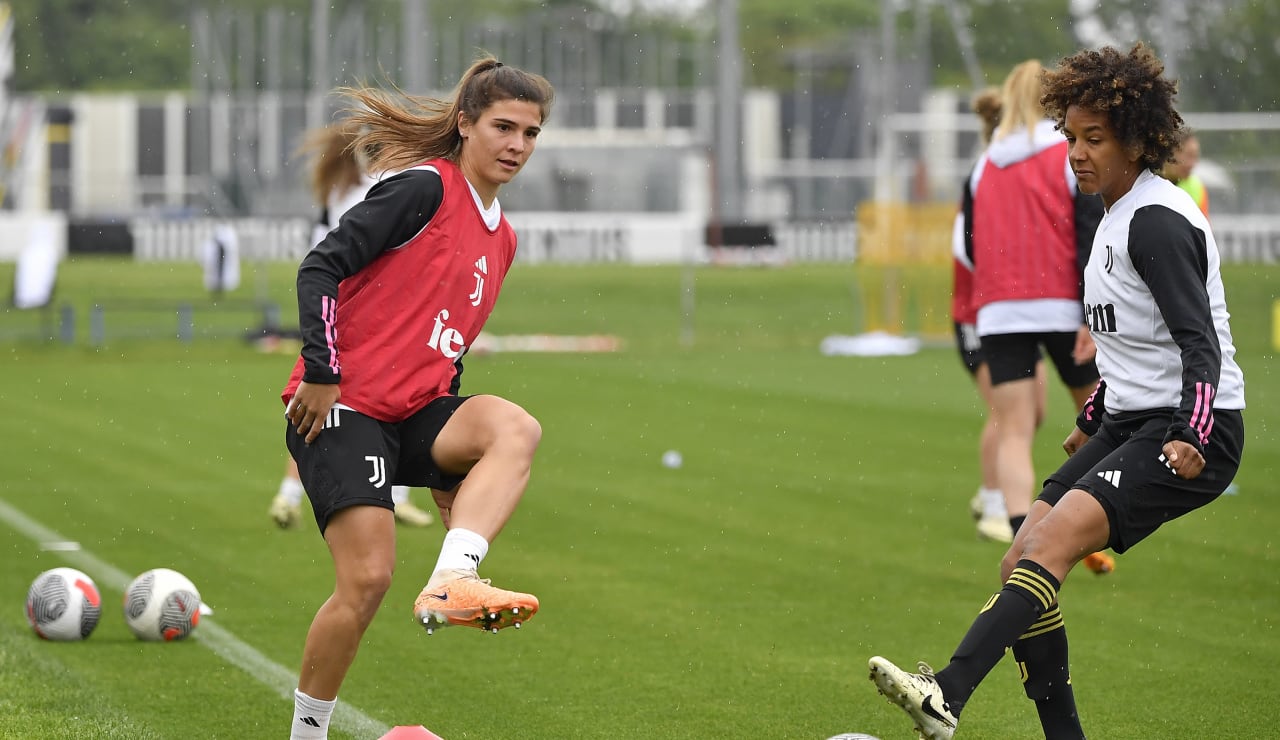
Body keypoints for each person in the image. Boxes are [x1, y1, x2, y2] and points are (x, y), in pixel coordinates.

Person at [868, 42, 1246, 740]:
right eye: (1071, 137)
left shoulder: (1156, 220)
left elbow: (1201, 343)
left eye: (1093, 139)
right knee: (1021, 553)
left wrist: (1191, 431)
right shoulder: (1113, 214)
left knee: (1053, 544)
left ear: (1137, 141)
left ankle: (946, 691)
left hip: (1192, 428)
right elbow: (1133, 347)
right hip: (1134, 420)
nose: (1075, 152)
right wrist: (1095, 415)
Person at [280, 57, 555, 740]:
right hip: (341, 408)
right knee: (368, 582)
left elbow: (448, 345)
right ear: (465, 124)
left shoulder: (505, 239)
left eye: (530, 133)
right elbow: (321, 264)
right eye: (503, 127)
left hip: (411, 413)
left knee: (515, 429)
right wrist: (321, 368)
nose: (516, 144)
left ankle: (456, 576)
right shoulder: (424, 189)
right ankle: (306, 734)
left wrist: (445, 464)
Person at [962, 59, 1114, 574]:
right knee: (1100, 421)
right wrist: (1091, 311)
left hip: (1000, 311)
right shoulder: (1065, 156)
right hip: (1061, 305)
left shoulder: (983, 166)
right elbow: (1089, 233)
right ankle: (1085, 522)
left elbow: (967, 244)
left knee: (1014, 430)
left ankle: (1021, 530)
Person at [268, 120, 434, 530]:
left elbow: (321, 251)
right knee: (387, 403)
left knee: (320, 411)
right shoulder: (388, 189)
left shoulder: (341, 189)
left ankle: (292, 495)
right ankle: (386, 495)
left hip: (329, 307)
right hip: (361, 312)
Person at [952, 86, 1048, 544]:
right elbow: (965, 249)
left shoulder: (1015, 168)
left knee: (1034, 413)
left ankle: (997, 494)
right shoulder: (987, 172)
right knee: (1007, 414)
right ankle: (995, 504)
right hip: (982, 311)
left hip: (1020, 310)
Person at [1161, 128, 1210, 216]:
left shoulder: (1197, 188)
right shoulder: (1144, 181)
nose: (1192, 164)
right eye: (1189, 155)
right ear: (1170, 152)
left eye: (1195, 156)